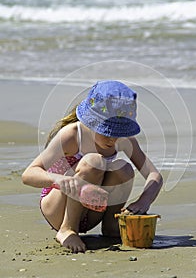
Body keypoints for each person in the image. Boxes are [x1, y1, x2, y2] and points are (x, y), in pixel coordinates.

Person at [22, 80, 163, 253]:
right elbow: (29, 174)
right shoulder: (72, 135)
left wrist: (144, 201)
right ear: (91, 121)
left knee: (123, 168)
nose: (113, 139)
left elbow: (154, 175)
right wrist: (59, 179)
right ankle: (68, 229)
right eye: (107, 132)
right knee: (94, 162)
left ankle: (112, 227)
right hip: (58, 207)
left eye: (119, 133)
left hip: (93, 210)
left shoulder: (123, 140)